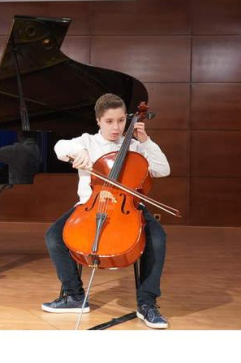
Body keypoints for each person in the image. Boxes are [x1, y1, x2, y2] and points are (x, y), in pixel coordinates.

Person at [41, 93, 171, 329]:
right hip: (89, 205)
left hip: (129, 207)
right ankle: (74, 296)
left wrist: (146, 141)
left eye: (121, 121)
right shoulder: (87, 141)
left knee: (158, 239)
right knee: (53, 236)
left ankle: (147, 303)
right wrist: (76, 152)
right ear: (98, 121)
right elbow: (60, 146)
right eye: (110, 121)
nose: (116, 127)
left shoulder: (134, 146)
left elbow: (163, 169)